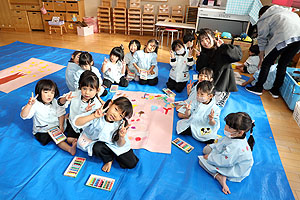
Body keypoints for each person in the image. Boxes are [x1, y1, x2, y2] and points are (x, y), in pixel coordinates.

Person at [246, 5, 300, 98]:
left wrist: (262, 55)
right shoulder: (288, 13)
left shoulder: (265, 18)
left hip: (284, 37)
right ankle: (275, 91)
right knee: (283, 64)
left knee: (267, 63)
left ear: (262, 14)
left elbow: (262, 38)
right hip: (298, 39)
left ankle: (258, 88)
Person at [74, 97, 139, 172]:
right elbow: (77, 123)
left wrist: (121, 137)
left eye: (120, 116)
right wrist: (93, 116)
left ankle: (113, 154)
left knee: (131, 163)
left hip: (113, 145)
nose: (115, 115)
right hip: (96, 142)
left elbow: (120, 144)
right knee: (97, 148)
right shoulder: (97, 113)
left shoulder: (120, 125)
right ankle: (109, 159)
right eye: (116, 109)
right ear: (111, 103)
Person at [198, 112, 255, 195]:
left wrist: (210, 158)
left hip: (233, 167)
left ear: (240, 132)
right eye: (226, 124)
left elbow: (225, 162)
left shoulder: (236, 147)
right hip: (228, 157)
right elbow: (224, 142)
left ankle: (219, 176)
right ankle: (215, 165)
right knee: (206, 150)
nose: (225, 128)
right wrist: (214, 147)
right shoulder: (235, 136)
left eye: (229, 127)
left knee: (201, 161)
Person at [20, 79, 77, 155]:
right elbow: (24, 115)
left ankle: (71, 138)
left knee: (69, 122)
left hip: (56, 126)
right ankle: (69, 149)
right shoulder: (35, 104)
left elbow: (60, 114)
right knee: (56, 138)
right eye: (46, 92)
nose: (49, 95)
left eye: (52, 92)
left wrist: (61, 126)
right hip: (43, 130)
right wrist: (29, 105)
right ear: (39, 92)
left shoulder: (54, 101)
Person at [196, 28, 242, 107]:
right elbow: (199, 69)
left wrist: (223, 46)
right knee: (198, 99)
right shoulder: (204, 53)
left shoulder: (222, 49)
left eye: (207, 38)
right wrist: (200, 57)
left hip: (221, 84)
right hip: (210, 82)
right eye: (202, 40)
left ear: (213, 38)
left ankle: (225, 94)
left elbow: (238, 56)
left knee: (211, 104)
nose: (205, 42)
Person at [58, 71, 103, 141]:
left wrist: (89, 112)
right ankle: (67, 120)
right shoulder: (75, 94)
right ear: (80, 87)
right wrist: (65, 99)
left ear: (97, 90)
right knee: (69, 140)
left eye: (91, 90)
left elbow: (96, 121)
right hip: (72, 123)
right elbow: (59, 103)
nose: (87, 92)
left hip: (85, 127)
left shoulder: (96, 104)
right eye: (84, 89)